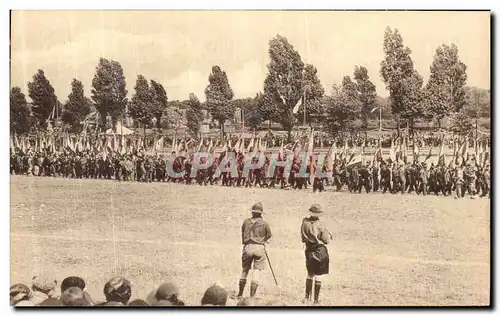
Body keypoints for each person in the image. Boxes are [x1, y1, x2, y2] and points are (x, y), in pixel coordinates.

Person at [237, 202, 272, 299]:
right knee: (256, 272)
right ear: (261, 213)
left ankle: (240, 294)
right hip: (259, 248)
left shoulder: (246, 222)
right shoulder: (265, 224)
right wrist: (263, 240)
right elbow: (269, 235)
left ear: (252, 212)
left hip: (248, 246)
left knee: (244, 270)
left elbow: (243, 232)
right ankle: (252, 297)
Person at [301, 204, 331, 304]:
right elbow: (326, 240)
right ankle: (316, 300)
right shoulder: (320, 224)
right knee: (318, 276)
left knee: (310, 274)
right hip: (319, 251)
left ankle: (306, 297)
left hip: (309, 250)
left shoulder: (304, 222)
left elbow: (302, 237)